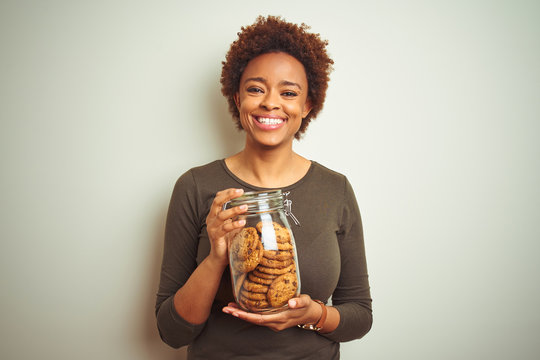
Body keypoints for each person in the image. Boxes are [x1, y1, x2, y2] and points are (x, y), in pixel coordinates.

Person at [155, 15, 372, 359]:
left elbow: (360, 314)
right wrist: (216, 258)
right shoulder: (196, 187)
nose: (271, 102)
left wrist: (314, 314)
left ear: (307, 105)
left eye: (288, 93)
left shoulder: (336, 190)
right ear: (237, 98)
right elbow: (172, 332)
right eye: (256, 89)